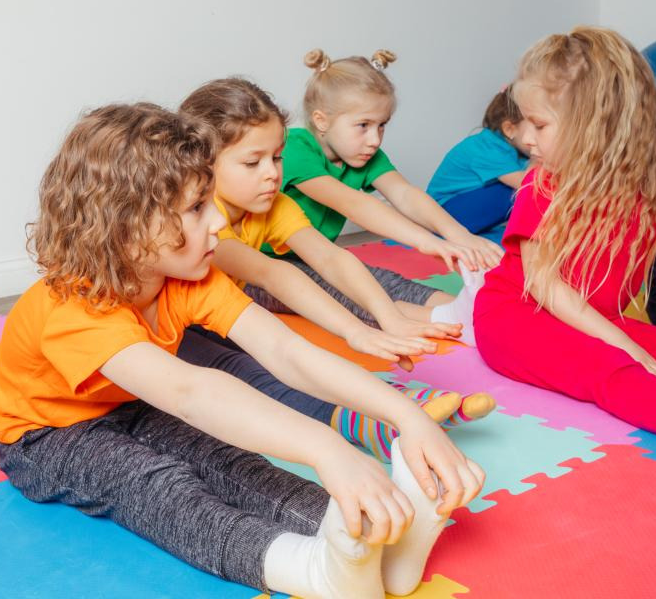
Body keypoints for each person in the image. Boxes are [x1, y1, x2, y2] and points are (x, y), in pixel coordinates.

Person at [0, 103, 485, 597]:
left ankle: (376, 539)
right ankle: (307, 569)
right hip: (45, 435)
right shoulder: (72, 309)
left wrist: (406, 417)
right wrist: (327, 448)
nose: (219, 224)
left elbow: (286, 351)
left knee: (232, 463)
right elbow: (189, 390)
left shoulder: (185, 275)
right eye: (198, 209)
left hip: (127, 402)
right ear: (129, 228)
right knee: (156, 483)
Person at [176, 78, 495, 463]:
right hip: (178, 334)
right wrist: (355, 331)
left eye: (276, 158)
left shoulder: (272, 205)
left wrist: (387, 317)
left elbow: (331, 258)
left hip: (222, 313)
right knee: (252, 373)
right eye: (252, 162)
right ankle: (371, 418)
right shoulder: (207, 220)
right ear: (204, 166)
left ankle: (391, 405)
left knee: (292, 354)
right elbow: (273, 274)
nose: (272, 173)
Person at [474, 27, 656, 448]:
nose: (525, 138)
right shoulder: (543, 185)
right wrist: (632, 350)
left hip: (598, 322)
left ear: (596, 125)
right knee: (616, 372)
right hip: (515, 318)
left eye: (539, 124)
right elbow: (545, 284)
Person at [277, 48, 507, 345]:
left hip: (319, 258)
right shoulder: (294, 149)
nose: (374, 140)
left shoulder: (363, 154)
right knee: (338, 295)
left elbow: (405, 193)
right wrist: (429, 242)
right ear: (321, 121)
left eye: (381, 125)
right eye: (363, 126)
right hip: (264, 267)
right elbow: (352, 203)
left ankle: (480, 307)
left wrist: (458, 235)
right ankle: (454, 321)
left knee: (379, 279)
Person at [427, 84, 535, 234]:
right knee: (519, 191)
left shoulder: (512, 149)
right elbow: (527, 183)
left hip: (460, 208)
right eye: (538, 128)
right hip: (443, 214)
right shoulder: (486, 148)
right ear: (510, 129)